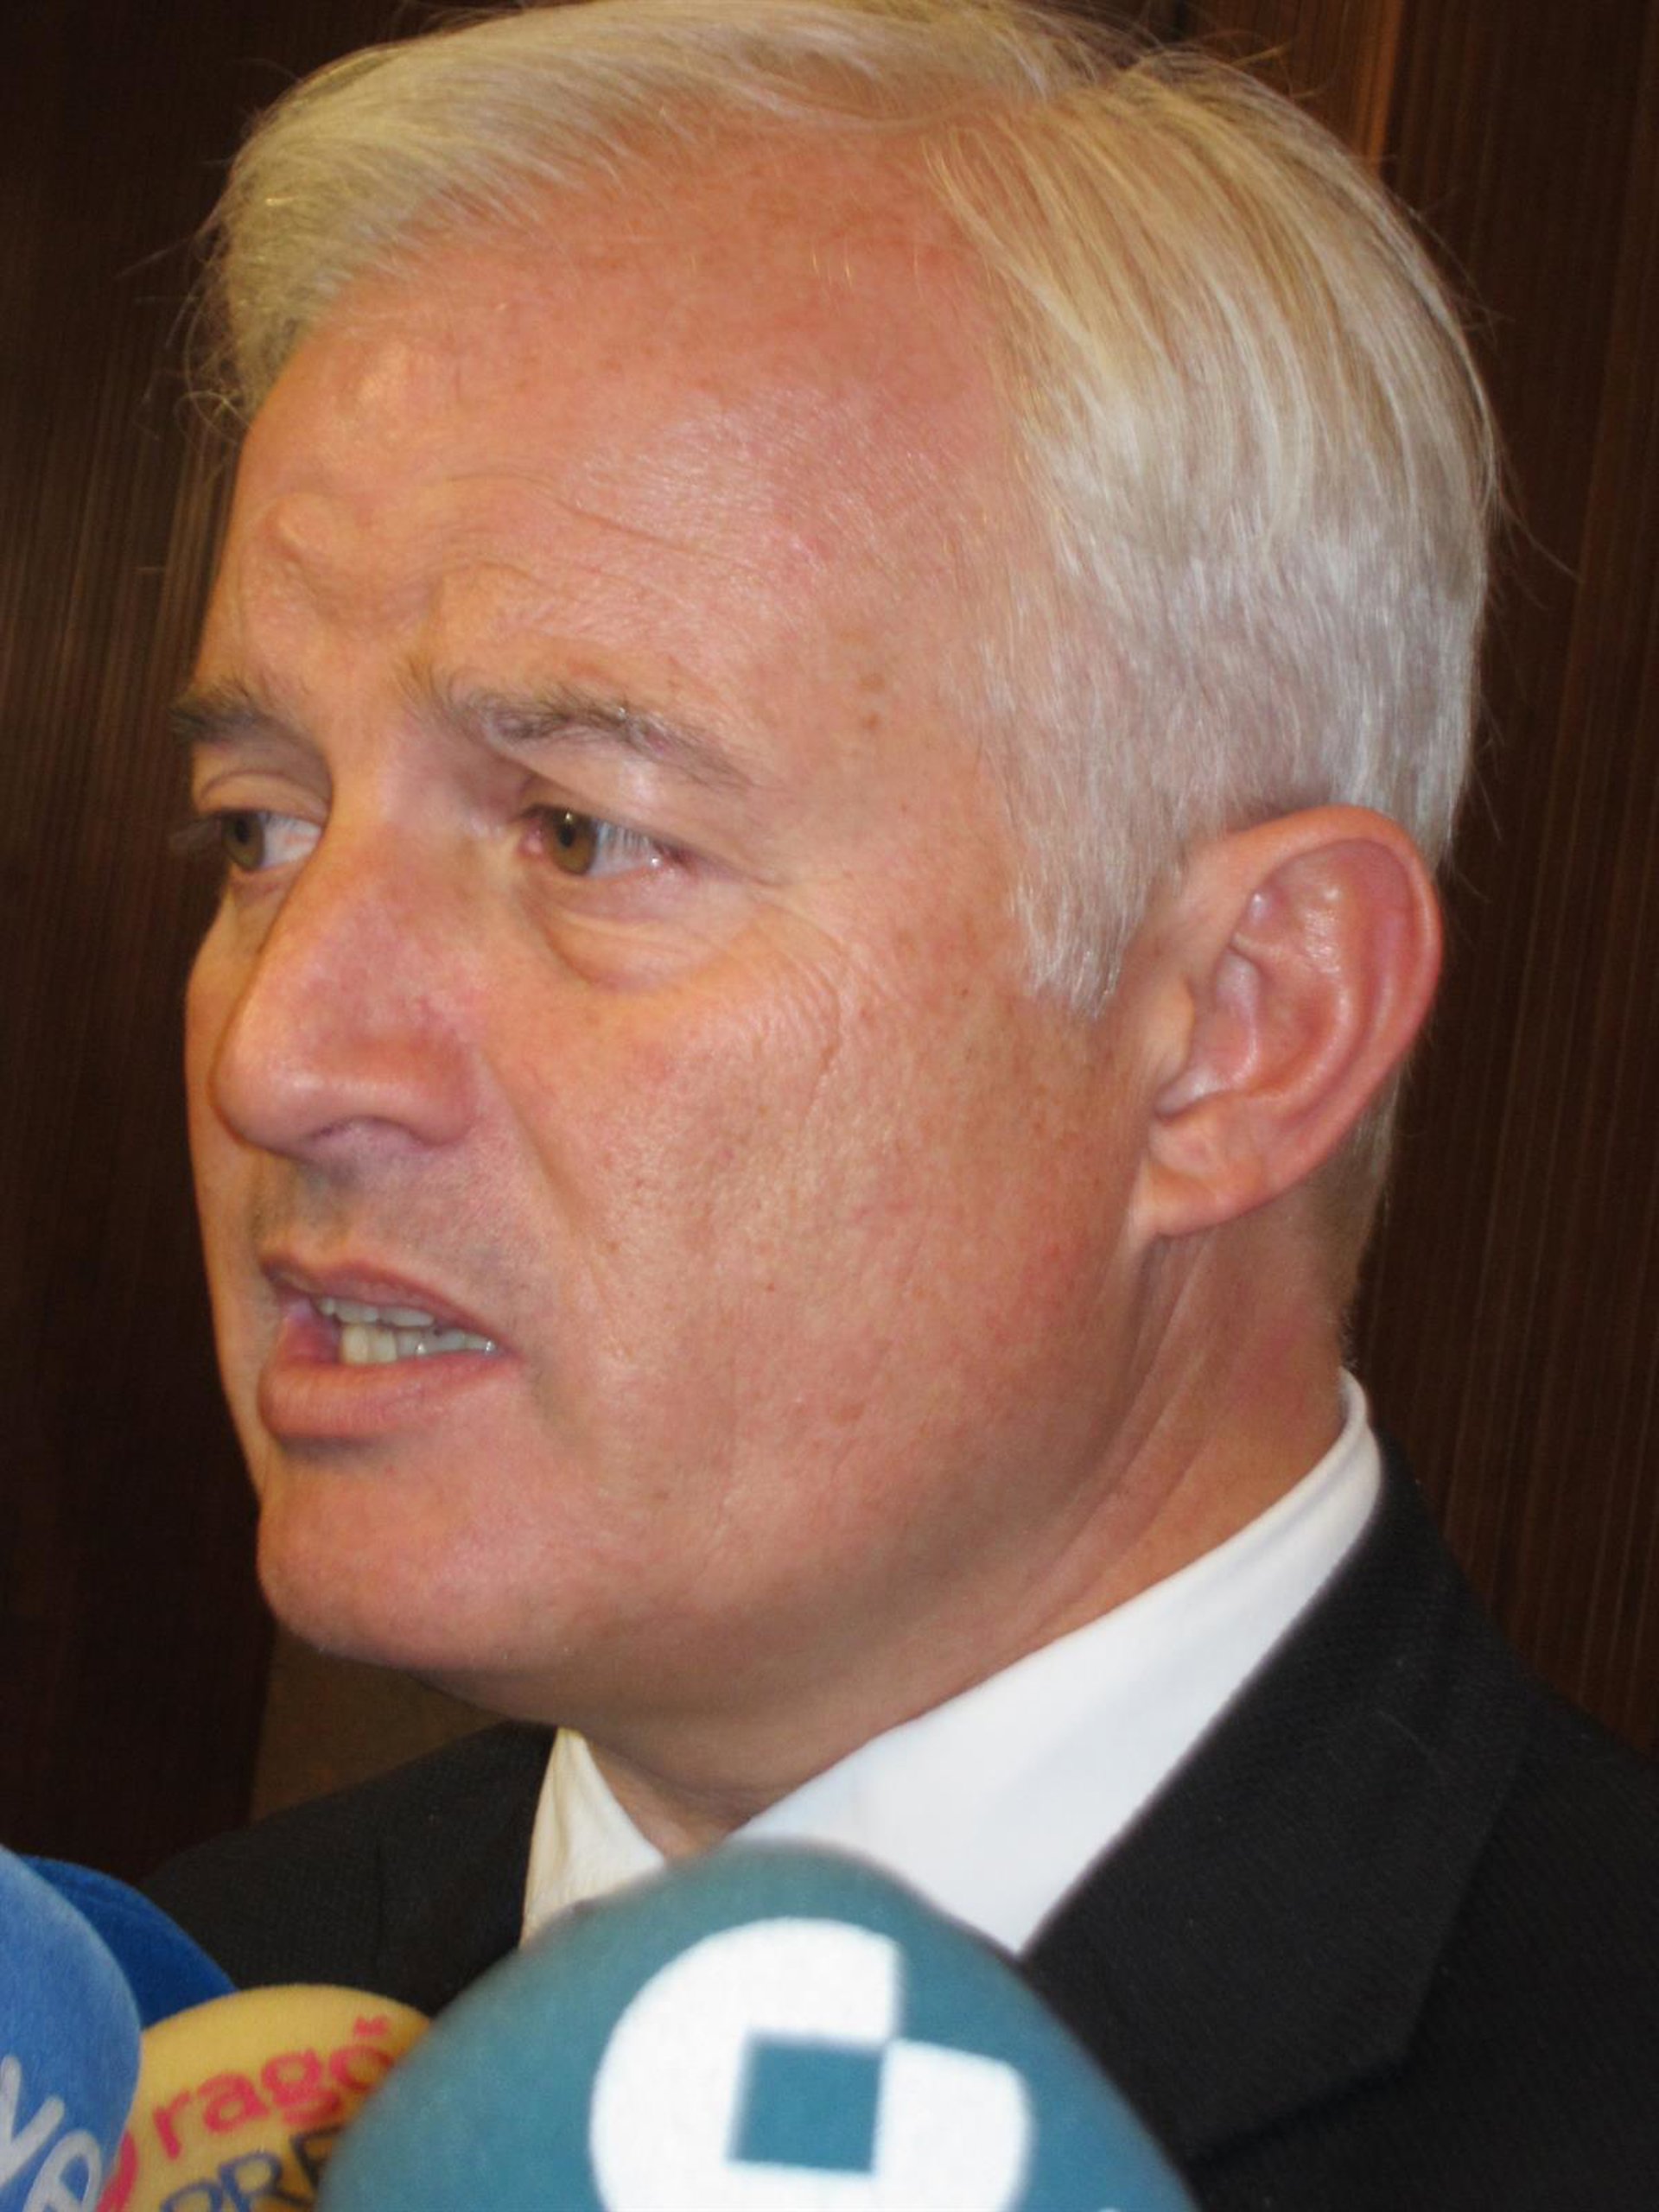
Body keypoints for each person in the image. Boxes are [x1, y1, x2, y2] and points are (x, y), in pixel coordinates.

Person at [147, 0, 1657, 2201]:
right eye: (258, 828)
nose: (279, 1051)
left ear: (1243, 1023)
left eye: (579, 833)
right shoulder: (173, 2040)